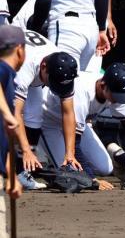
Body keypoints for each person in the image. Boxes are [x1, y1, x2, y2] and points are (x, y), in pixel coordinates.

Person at [38, 63, 125, 190]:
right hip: (49, 122)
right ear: (103, 85)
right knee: (72, 175)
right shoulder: (82, 92)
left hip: (76, 124)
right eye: (117, 95)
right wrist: (92, 179)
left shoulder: (114, 87)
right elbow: (75, 143)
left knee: (105, 168)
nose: (119, 99)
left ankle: (117, 156)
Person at [11, 31, 65, 190]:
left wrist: (70, 153)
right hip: (12, 64)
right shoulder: (25, 68)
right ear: (44, 67)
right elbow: (15, 113)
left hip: (30, 67)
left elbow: (68, 109)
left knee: (35, 116)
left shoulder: (59, 61)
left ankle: (22, 172)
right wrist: (26, 149)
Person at [0, 26, 25, 235]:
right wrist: (8, 114)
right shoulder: (3, 71)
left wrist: (12, 177)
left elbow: (4, 139)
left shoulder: (7, 78)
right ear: (20, 50)